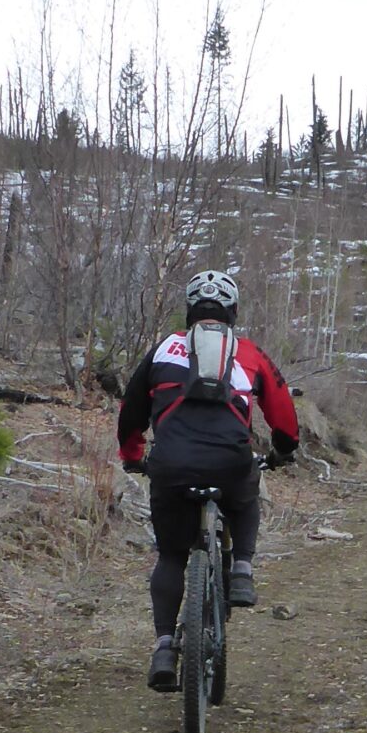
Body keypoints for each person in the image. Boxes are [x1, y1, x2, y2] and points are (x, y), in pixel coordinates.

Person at [117, 271, 300, 691]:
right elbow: (283, 412)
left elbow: (131, 411)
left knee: (170, 556)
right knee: (245, 495)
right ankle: (241, 570)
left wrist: (133, 457)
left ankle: (165, 646)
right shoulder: (249, 353)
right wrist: (284, 450)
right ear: (233, 313)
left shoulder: (164, 348)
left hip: (171, 466)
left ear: (189, 310)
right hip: (230, 463)